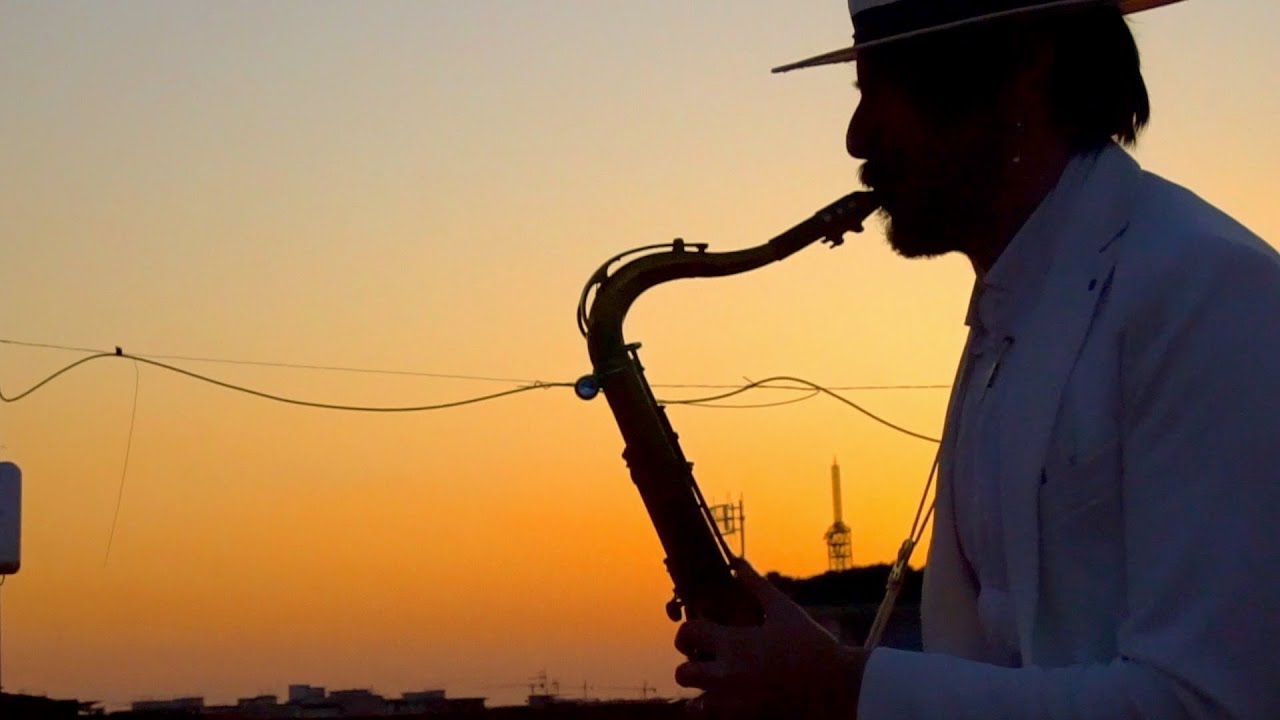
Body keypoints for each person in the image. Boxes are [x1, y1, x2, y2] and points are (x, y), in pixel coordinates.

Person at [672, 1, 1280, 718]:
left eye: (882, 86)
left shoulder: (1211, 290)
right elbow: (1005, 658)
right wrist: (831, 669)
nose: (857, 136)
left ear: (1027, 70)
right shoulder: (1011, 310)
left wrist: (845, 688)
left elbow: (1210, 701)